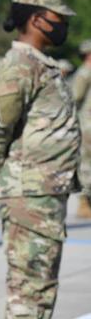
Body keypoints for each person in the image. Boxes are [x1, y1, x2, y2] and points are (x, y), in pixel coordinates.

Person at [0, 0, 81, 319]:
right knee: (30, 294)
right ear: (35, 19)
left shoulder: (39, 63)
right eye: (56, 17)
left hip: (42, 195)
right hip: (29, 196)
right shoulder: (20, 64)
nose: (63, 24)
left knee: (38, 289)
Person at [74, 40, 91, 218]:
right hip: (87, 125)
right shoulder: (84, 73)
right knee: (86, 163)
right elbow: (75, 97)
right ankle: (84, 201)